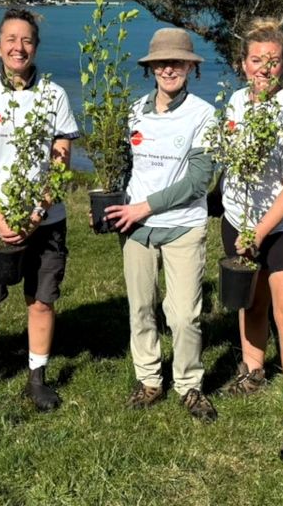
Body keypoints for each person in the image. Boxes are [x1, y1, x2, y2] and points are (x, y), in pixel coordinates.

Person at [0, 8, 79, 411]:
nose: (17, 47)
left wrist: (35, 215)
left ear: (35, 47)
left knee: (41, 300)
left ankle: (37, 377)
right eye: (10, 39)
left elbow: (60, 161)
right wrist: (1, 216)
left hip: (45, 221)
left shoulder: (53, 96)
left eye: (26, 40)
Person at [219, 17, 283, 462]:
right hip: (239, 219)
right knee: (251, 302)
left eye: (274, 62)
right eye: (257, 61)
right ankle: (254, 371)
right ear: (243, 65)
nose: (265, 69)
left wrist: (256, 234)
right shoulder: (235, 106)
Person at [104, 28, 219, 421]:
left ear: (191, 67)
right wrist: (114, 205)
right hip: (136, 228)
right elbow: (124, 167)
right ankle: (150, 380)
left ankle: (189, 384)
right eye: (161, 62)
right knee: (141, 308)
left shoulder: (204, 115)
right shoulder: (134, 111)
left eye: (177, 61)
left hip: (183, 225)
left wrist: (145, 208)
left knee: (184, 314)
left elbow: (199, 181)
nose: (169, 69)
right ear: (150, 67)